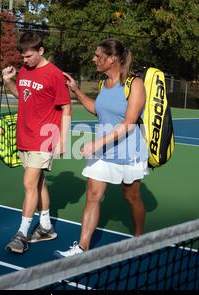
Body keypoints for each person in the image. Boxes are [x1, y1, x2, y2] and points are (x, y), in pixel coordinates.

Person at [54, 39, 149, 258]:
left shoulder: (134, 84)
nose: (94, 59)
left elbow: (129, 123)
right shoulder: (103, 84)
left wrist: (97, 143)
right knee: (93, 195)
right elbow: (98, 110)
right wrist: (76, 91)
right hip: (104, 153)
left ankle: (140, 237)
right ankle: (82, 247)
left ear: (112, 58)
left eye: (98, 56)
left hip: (129, 153)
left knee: (131, 197)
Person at [2, 31, 72, 254]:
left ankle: (21, 234)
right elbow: (21, 95)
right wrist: (8, 80)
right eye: (22, 56)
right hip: (24, 136)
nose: (24, 60)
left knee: (29, 184)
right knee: (39, 182)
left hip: (44, 139)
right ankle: (46, 227)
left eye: (28, 56)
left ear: (41, 51)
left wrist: (63, 140)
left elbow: (66, 108)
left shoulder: (54, 75)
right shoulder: (24, 70)